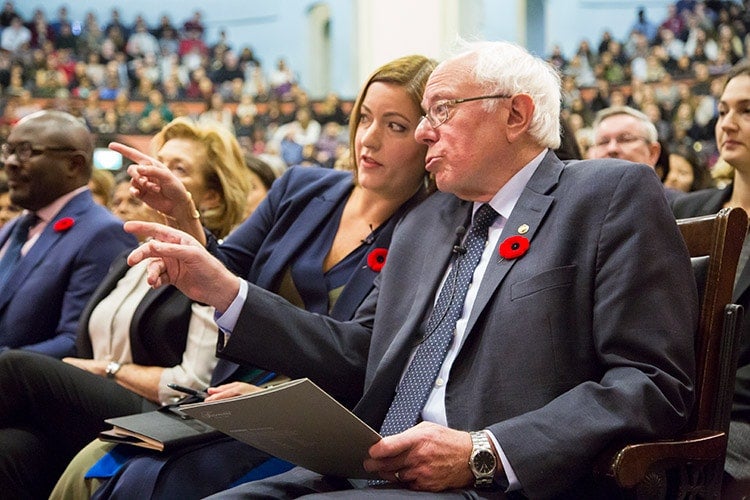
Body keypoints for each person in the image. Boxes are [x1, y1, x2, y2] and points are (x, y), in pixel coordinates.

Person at [125, 40, 697, 498]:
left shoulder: (606, 194)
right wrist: (225, 291)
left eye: (442, 111)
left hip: (493, 483)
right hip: (371, 465)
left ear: (516, 114)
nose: (425, 130)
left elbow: (650, 383)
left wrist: (484, 451)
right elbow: (360, 355)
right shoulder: (426, 222)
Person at [52, 54, 437, 500]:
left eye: (395, 126)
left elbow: (361, 354)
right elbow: (226, 267)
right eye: (365, 117)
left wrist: (274, 391)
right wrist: (186, 217)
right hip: (231, 389)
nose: (368, 139)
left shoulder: (430, 228)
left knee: (150, 484)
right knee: (103, 469)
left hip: (319, 418)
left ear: (429, 138)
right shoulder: (301, 187)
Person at [0, 117, 253, 499]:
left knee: (14, 367)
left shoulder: (217, 268)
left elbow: (195, 385)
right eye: (155, 162)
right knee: (10, 450)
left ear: (212, 197)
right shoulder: (131, 257)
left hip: (163, 414)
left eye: (177, 168)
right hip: (94, 405)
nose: (156, 174)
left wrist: (109, 370)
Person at [671, 60, 750, 497]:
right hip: (679, 404)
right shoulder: (688, 212)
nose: (728, 123)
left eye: (746, 110)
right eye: (722, 111)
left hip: (739, 419)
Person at [0, 110, 137, 357]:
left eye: (26, 151)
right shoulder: (15, 227)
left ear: (74, 164)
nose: (10, 162)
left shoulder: (103, 233)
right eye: (8, 150)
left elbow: (76, 342)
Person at [588, 105, 683, 202]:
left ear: (652, 152)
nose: (612, 148)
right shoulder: (579, 211)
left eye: (625, 139)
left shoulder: (682, 208)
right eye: (603, 142)